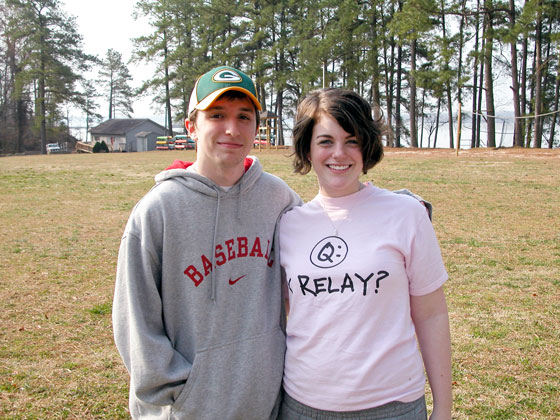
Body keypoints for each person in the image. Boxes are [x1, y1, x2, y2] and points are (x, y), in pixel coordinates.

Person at [112, 65, 302, 419]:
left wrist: (381, 206)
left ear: (257, 128)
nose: (232, 128)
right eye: (217, 115)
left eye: (244, 116)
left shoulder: (278, 197)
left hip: (264, 403)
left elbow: (327, 235)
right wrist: (182, 394)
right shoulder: (159, 210)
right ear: (191, 126)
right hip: (186, 408)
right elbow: (135, 320)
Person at [278, 88, 452, 420]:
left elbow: (431, 315)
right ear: (307, 148)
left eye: (352, 140)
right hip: (303, 407)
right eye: (326, 141)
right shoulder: (288, 225)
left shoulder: (406, 214)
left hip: (393, 406)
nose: (339, 154)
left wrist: (443, 407)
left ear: (367, 145)